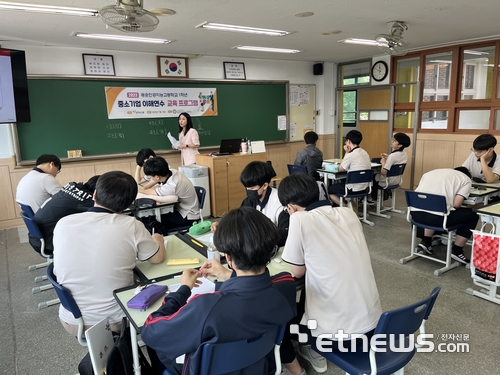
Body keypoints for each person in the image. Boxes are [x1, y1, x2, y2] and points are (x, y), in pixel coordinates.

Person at [141, 207, 297, 375]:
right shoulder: (286, 285)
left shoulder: (206, 307)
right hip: (259, 366)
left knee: (161, 352)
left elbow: (150, 331)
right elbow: (256, 288)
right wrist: (228, 275)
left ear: (228, 258)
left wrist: (183, 290)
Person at [278, 173, 381, 375]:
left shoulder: (299, 219)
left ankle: (314, 351)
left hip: (338, 336)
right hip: (373, 325)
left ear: (290, 206)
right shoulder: (347, 212)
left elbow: (297, 271)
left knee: (279, 321)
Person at [53, 171, 166, 335]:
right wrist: (158, 239)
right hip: (113, 321)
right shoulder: (130, 225)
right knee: (166, 293)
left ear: (95, 194)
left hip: (71, 319)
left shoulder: (64, 223)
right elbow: (157, 258)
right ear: (129, 203)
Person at [210, 161, 289, 246]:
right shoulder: (252, 199)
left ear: (265, 185)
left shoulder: (279, 202)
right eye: (246, 188)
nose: (248, 191)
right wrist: (223, 225)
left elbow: (284, 235)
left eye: (252, 188)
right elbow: (239, 219)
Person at [411, 167, 478, 264]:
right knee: (473, 215)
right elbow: (456, 204)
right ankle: (457, 251)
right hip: (437, 219)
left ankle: (426, 242)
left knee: (433, 208)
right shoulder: (466, 179)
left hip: (415, 215)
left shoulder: (430, 172)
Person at [30, 175, 100, 255]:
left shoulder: (72, 186)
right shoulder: (87, 199)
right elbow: (106, 211)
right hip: (47, 243)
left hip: (37, 236)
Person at [140, 156, 199, 232]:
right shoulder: (171, 171)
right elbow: (154, 188)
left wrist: (138, 191)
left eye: (151, 177)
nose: (151, 179)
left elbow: (151, 192)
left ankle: (160, 239)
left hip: (188, 216)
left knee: (151, 220)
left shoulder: (172, 185)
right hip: (182, 209)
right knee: (150, 217)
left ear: (157, 177)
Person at [328, 130, 371, 207]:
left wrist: (346, 153)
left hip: (352, 189)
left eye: (346, 141)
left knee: (329, 190)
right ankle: (351, 205)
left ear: (349, 141)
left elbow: (341, 169)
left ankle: (345, 206)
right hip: (364, 187)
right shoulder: (364, 152)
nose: (345, 143)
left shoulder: (351, 155)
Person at [369, 132, 411, 202]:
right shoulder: (404, 154)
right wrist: (388, 157)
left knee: (369, 176)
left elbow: (383, 172)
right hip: (396, 180)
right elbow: (397, 162)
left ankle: (369, 198)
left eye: (394, 141)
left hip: (387, 181)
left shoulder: (393, 156)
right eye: (392, 139)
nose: (392, 141)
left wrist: (383, 163)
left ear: (400, 145)